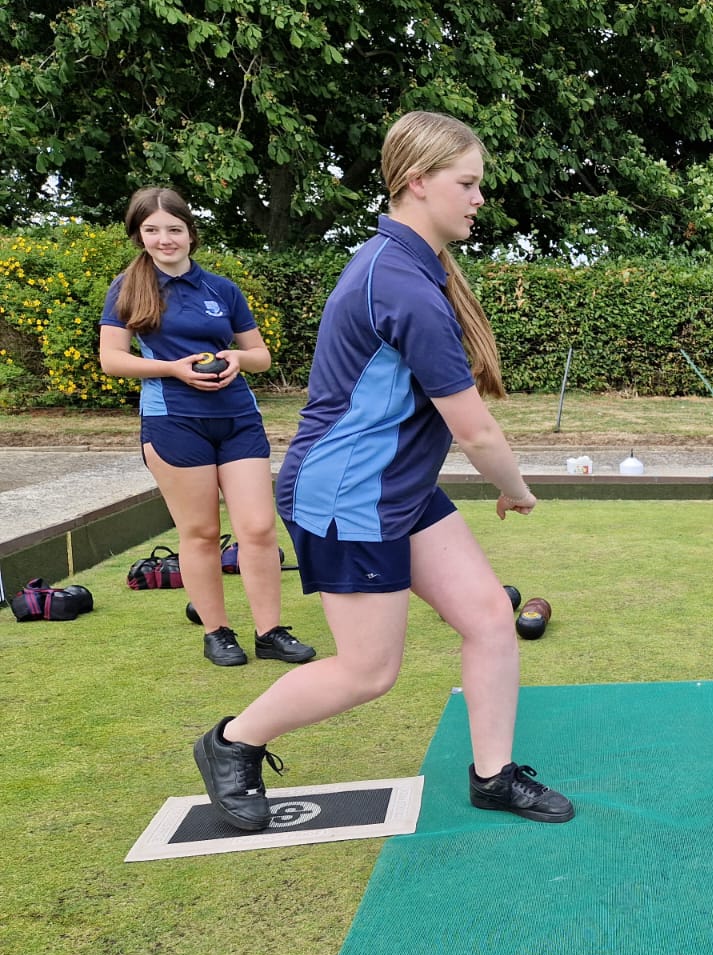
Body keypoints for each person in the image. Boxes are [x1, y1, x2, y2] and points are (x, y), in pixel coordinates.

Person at [190, 111, 573, 832]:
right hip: (347, 496)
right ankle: (231, 743)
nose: (479, 198)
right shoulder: (400, 281)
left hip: (393, 486)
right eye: (468, 183)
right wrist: (515, 491)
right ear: (418, 182)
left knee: (491, 616)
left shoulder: (405, 265)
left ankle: (492, 776)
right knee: (369, 671)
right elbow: (474, 428)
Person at [99, 187, 317, 669]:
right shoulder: (129, 288)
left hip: (238, 419)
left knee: (258, 528)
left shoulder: (222, 289)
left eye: (173, 229)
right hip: (174, 422)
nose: (164, 239)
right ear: (139, 235)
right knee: (199, 532)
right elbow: (112, 360)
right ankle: (218, 633)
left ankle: (270, 632)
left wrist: (239, 357)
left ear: (190, 232)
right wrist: (173, 369)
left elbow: (259, 356)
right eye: (151, 231)